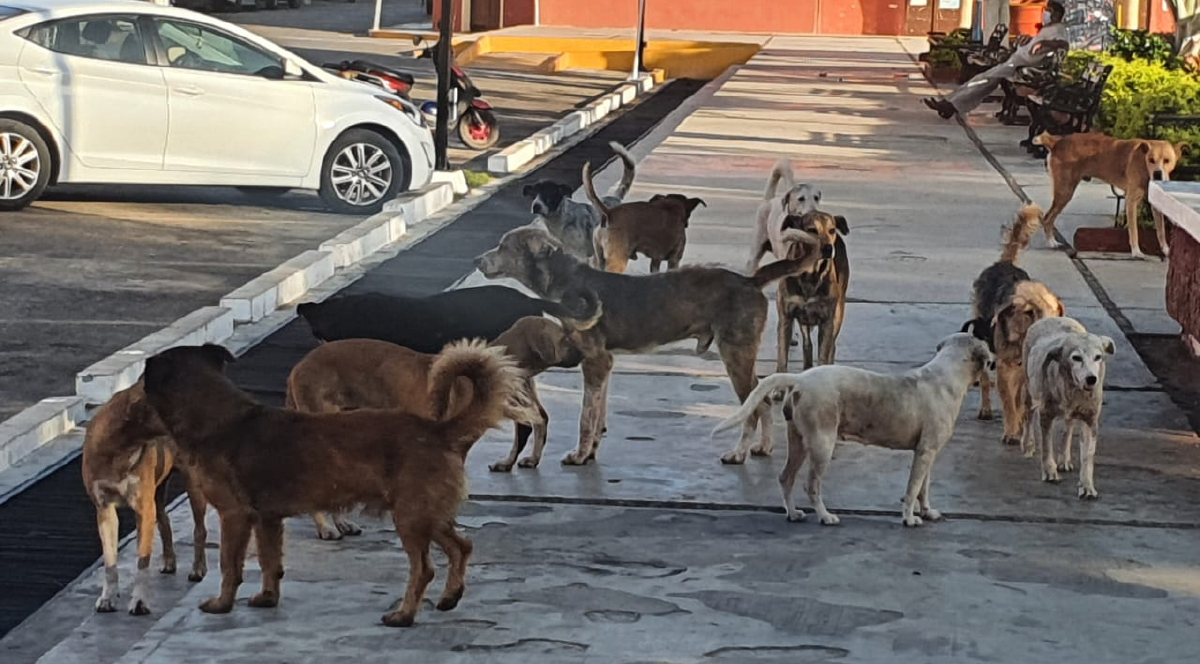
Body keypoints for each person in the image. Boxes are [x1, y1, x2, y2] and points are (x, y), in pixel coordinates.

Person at [924, 1, 1069, 119]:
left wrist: (1046, 44)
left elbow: (1063, 44)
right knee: (982, 79)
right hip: (1015, 59)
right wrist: (1029, 40)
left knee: (983, 79)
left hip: (1021, 65)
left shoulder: (1059, 29)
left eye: (1049, 10)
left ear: (1056, 14)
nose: (1046, 13)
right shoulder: (1047, 28)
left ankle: (951, 104)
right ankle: (949, 102)